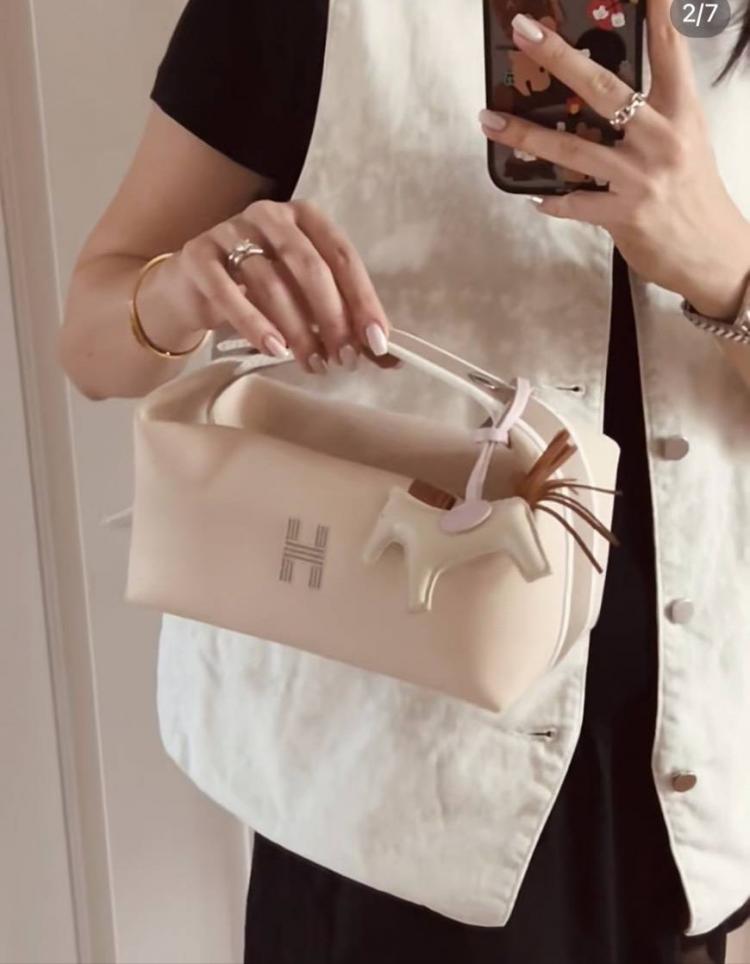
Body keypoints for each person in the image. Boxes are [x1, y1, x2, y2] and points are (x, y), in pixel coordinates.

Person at [59, 0, 750, 961]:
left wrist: (727, 270)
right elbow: (91, 346)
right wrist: (184, 289)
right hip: (379, 802)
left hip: (686, 799)